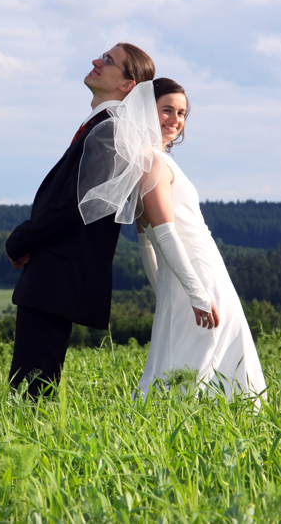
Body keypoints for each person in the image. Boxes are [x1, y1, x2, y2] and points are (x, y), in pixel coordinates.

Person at [78, 78, 266, 402]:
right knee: (198, 361)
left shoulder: (152, 161)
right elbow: (160, 234)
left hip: (192, 277)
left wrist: (163, 291)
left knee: (197, 356)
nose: (175, 120)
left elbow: (147, 243)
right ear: (147, 112)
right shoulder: (152, 163)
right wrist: (195, 293)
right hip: (198, 277)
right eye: (166, 110)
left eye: (181, 113)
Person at [6, 43, 156, 397]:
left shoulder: (111, 130)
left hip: (59, 272)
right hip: (54, 268)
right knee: (29, 381)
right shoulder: (103, 125)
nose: (95, 61)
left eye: (108, 61)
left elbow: (79, 204)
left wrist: (21, 239)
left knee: (31, 388)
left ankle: (30, 450)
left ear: (128, 85)